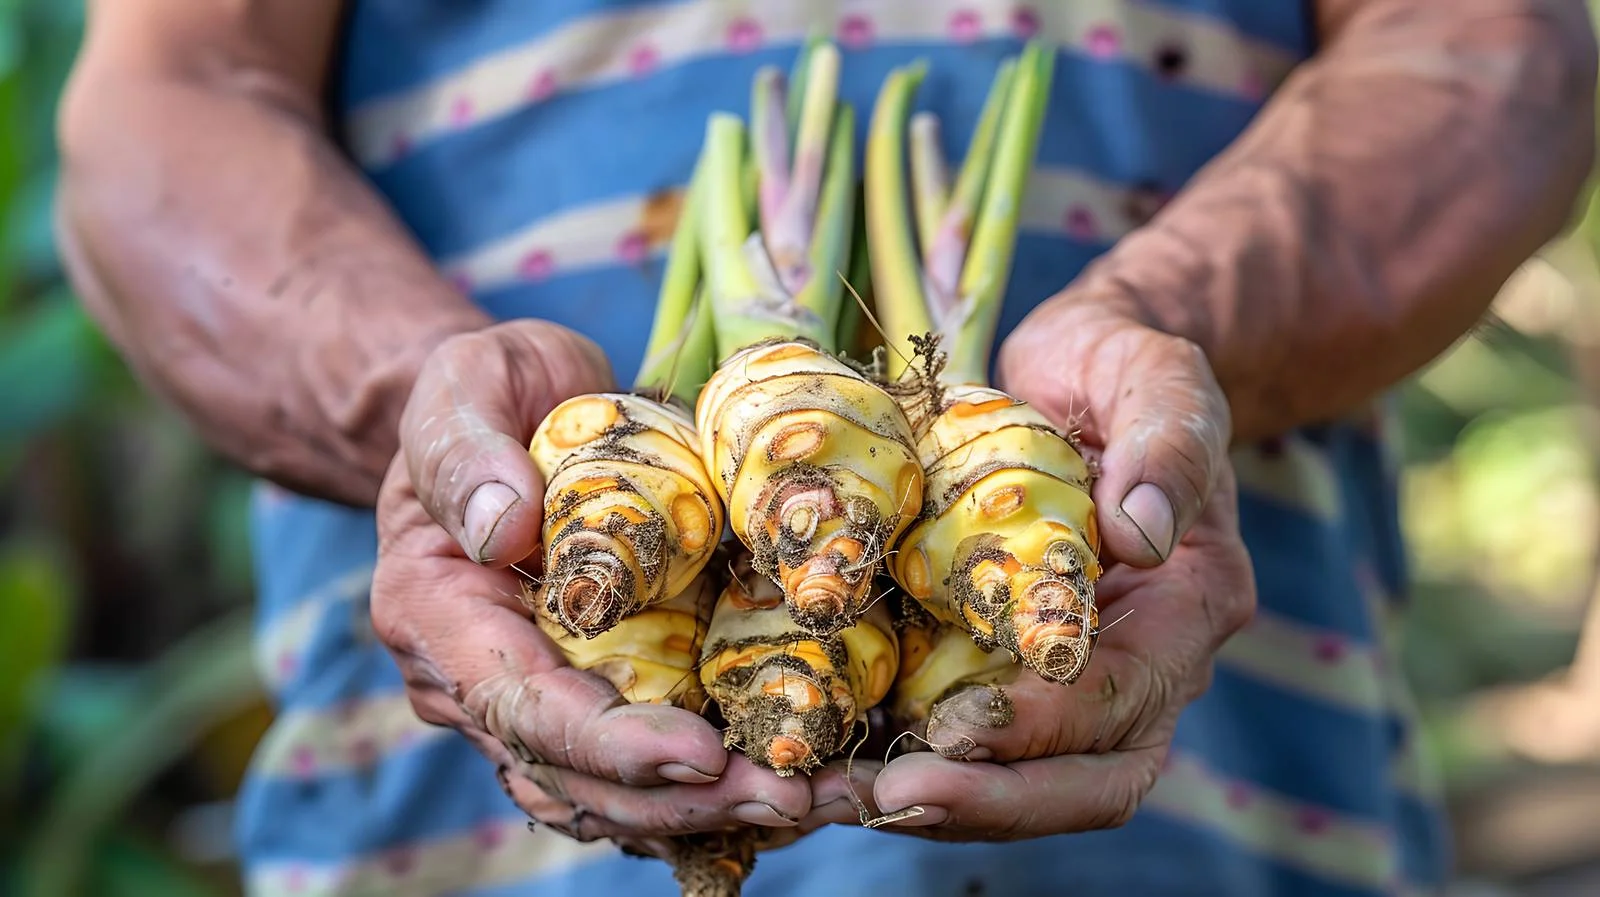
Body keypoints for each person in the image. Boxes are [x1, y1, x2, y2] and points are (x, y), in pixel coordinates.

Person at [54, 1, 1596, 894]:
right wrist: (424, 414)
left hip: (1223, 807)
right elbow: (162, 99)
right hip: (444, 830)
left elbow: (1500, 52)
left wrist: (1168, 324)